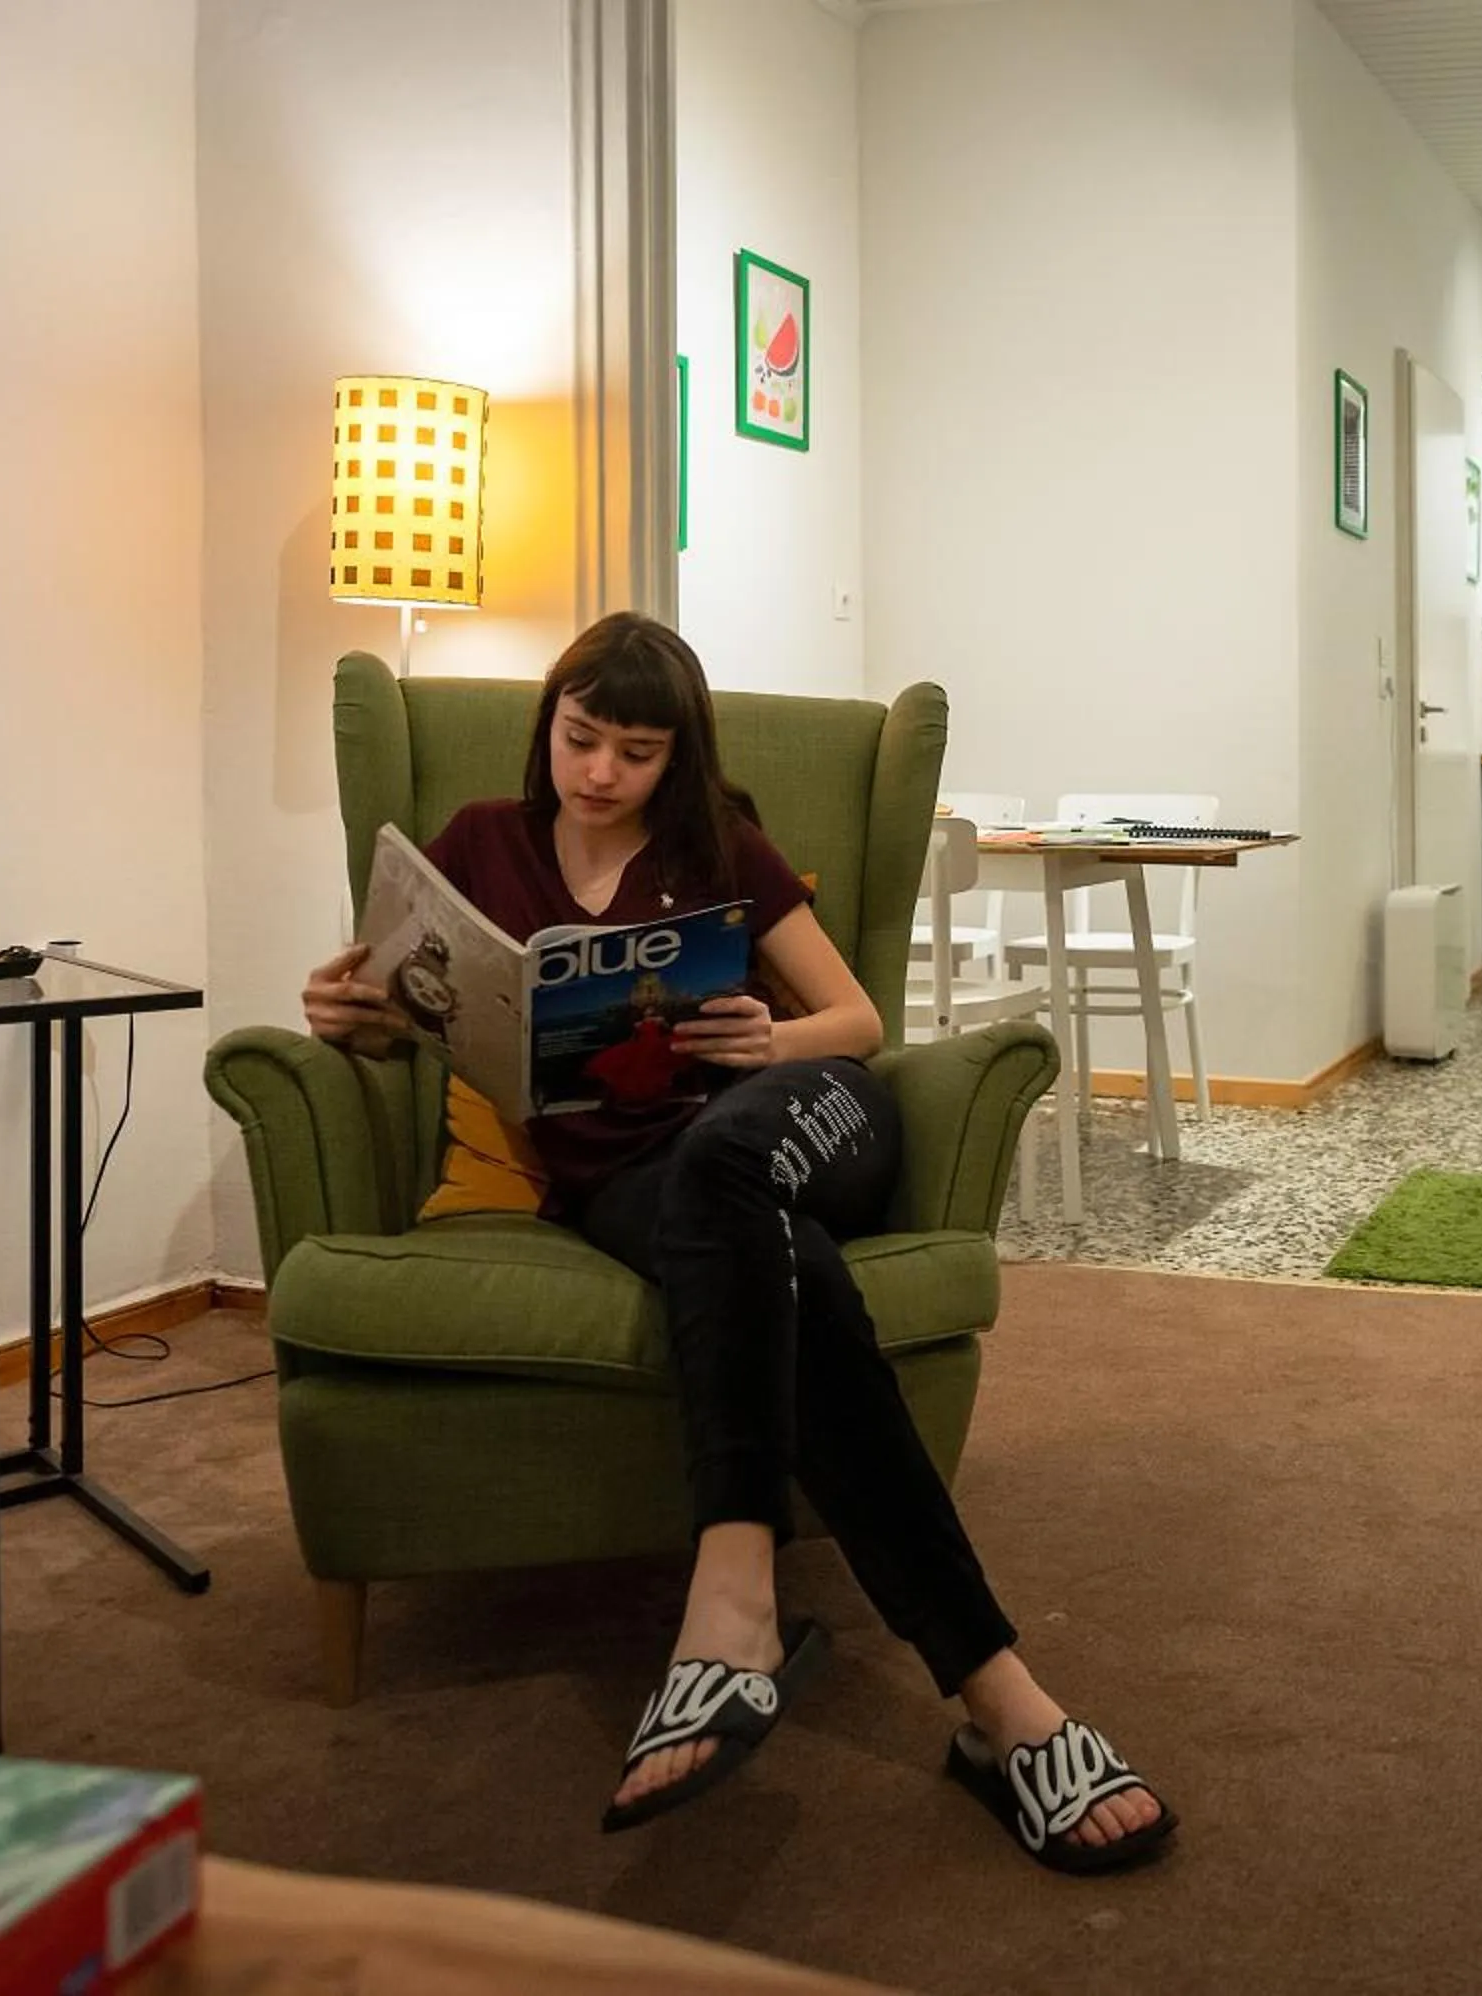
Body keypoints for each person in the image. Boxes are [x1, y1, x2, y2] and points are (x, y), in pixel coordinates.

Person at [299, 612, 1174, 1875]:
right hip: (627, 1184)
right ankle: (1002, 1706)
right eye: (581, 736)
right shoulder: (480, 845)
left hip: (807, 1117)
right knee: (782, 1260)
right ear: (548, 723)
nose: (598, 772)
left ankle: (730, 1597)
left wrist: (769, 1042)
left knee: (726, 1160)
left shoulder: (721, 849)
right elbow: (411, 1018)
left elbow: (859, 1019)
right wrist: (348, 1016)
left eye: (635, 752)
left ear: (677, 760)